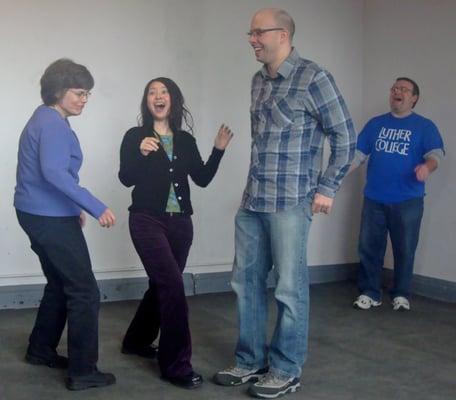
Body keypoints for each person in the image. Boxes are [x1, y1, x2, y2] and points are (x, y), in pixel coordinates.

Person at [213, 8, 355, 399]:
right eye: (250, 33)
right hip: (253, 200)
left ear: (283, 34)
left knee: (289, 289)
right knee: (246, 284)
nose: (252, 39)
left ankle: (286, 369)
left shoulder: (315, 78)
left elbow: (346, 137)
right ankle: (249, 360)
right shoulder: (258, 82)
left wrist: (327, 187)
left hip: (291, 202)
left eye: (258, 32)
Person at [118, 77, 233, 389]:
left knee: (161, 285)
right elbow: (125, 178)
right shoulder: (134, 136)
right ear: (146, 101)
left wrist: (218, 151)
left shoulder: (184, 141)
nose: (158, 96)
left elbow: (203, 178)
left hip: (181, 223)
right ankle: (175, 365)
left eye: (164, 91)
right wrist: (140, 154)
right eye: (152, 92)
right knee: (173, 287)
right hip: (146, 220)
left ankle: (136, 340)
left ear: (173, 100)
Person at [14, 59, 117, 391]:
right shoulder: (53, 124)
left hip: (37, 212)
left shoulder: (45, 118)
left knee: (59, 283)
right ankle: (83, 371)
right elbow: (55, 173)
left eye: (87, 94)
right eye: (78, 92)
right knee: (84, 291)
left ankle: (40, 350)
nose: (84, 99)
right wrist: (96, 206)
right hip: (47, 217)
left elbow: (54, 173)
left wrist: (73, 206)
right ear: (58, 91)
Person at [352, 77, 444, 311]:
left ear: (414, 98)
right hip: (375, 197)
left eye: (404, 89)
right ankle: (370, 292)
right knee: (369, 247)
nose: (397, 92)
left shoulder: (424, 126)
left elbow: (436, 154)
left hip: (408, 200)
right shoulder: (375, 124)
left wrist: (427, 167)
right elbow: (358, 155)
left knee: (405, 248)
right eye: (394, 88)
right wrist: (336, 174)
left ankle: (401, 294)